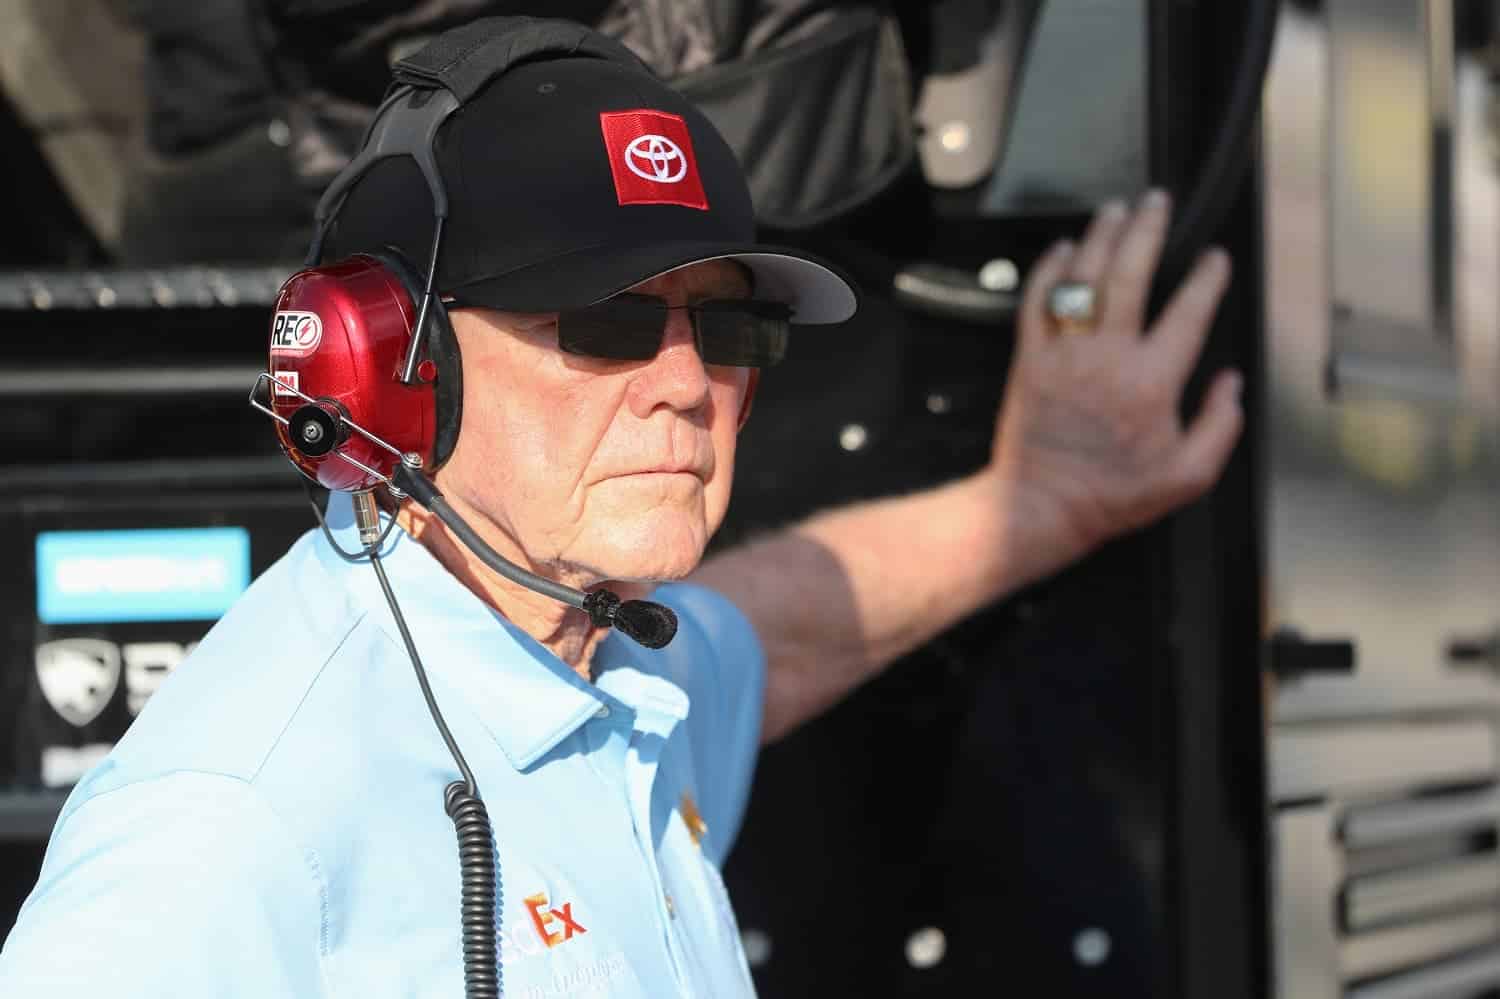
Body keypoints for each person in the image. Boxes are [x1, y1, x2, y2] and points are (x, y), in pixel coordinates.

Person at [0, 18, 1242, 999]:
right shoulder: (228, 826)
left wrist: (1049, 501)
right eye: (602, 322)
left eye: (729, 325)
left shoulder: (603, 668)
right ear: (384, 367)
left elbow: (789, 624)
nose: (689, 386)